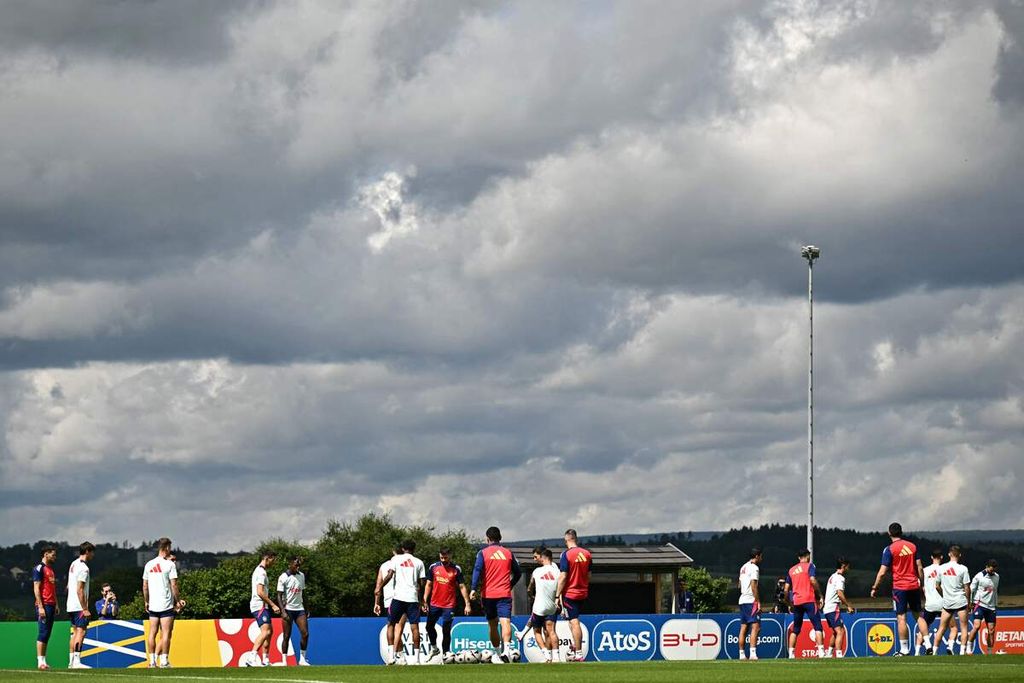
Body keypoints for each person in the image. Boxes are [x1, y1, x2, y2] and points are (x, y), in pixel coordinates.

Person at [870, 522, 927, 656]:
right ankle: (929, 644)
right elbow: (919, 567)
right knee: (918, 615)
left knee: (901, 617)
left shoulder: (889, 549)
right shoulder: (912, 546)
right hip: (914, 585)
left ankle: (904, 649)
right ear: (901, 532)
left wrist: (875, 587)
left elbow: (882, 572)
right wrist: (922, 584)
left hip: (900, 587)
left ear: (889, 533)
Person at [470, 526, 522, 664]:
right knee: (506, 622)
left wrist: (473, 588)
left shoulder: (483, 553)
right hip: (504, 593)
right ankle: (506, 651)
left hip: (488, 595)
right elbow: (518, 573)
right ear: (500, 538)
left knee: (492, 625)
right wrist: (510, 585)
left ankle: (499, 654)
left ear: (487, 538)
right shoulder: (508, 553)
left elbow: (477, 569)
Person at [380, 539, 426, 665]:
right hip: (412, 598)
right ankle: (416, 660)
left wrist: (380, 587)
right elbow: (422, 582)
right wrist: (422, 599)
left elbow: (389, 575)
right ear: (414, 549)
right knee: (415, 627)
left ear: (402, 549)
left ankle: (391, 656)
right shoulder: (419, 562)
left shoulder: (396, 560)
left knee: (391, 624)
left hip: (398, 597)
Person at [423, 547, 471, 660]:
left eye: (445, 557)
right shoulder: (433, 567)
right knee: (429, 627)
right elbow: (428, 584)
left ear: (450, 556)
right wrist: (424, 600)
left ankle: (446, 654)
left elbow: (462, 586)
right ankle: (434, 648)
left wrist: (467, 604)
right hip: (434, 603)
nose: (443, 559)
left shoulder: (456, 569)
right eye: (441, 557)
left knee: (446, 629)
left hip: (449, 605)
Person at [143, 537, 184, 668]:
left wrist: (146, 601)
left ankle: (152, 661)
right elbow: (174, 585)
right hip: (166, 604)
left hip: (153, 604)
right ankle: (164, 661)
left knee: (152, 633)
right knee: (166, 633)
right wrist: (178, 601)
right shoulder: (170, 565)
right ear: (166, 547)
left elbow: (144, 586)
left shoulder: (149, 564)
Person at [557, 528, 592, 662]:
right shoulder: (587, 554)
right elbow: (589, 575)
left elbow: (563, 577)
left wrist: (557, 595)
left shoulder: (566, 555)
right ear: (576, 538)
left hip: (570, 594)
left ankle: (578, 652)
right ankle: (574, 645)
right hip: (583, 592)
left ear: (566, 539)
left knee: (574, 621)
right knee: (571, 621)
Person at [785, 548, 825, 659]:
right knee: (817, 626)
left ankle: (791, 654)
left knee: (796, 629)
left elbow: (786, 589)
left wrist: (789, 603)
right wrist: (820, 595)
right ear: (808, 556)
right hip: (809, 600)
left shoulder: (791, 570)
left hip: (797, 602)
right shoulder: (810, 566)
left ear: (798, 557)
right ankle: (821, 652)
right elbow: (812, 580)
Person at [933, 545, 971, 656]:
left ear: (949, 554)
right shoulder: (963, 569)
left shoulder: (941, 568)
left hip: (947, 602)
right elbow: (967, 587)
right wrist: (968, 602)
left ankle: (934, 652)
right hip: (960, 601)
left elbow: (937, 586)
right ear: (960, 555)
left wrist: (944, 595)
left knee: (942, 628)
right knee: (964, 627)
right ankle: (962, 651)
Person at [247, 550, 280, 666]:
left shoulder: (260, 571)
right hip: (259, 605)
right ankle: (251, 657)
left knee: (270, 632)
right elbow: (260, 592)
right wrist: (273, 604)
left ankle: (265, 660)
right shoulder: (261, 573)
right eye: (273, 560)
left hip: (261, 605)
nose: (273, 563)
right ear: (268, 558)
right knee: (265, 632)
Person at [527, 547, 561, 663]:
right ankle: (555, 657)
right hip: (552, 605)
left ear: (542, 557)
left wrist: (531, 595)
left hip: (540, 606)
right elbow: (560, 586)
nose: (535, 559)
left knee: (537, 630)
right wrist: (558, 600)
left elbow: (529, 588)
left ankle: (547, 654)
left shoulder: (537, 571)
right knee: (550, 631)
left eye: (536, 557)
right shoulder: (557, 570)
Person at [66, 542, 95, 669]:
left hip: (70, 604)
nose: (93, 555)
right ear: (87, 551)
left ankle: (71, 661)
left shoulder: (73, 564)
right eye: (92, 552)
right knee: (81, 632)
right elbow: (80, 589)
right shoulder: (84, 568)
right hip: (79, 606)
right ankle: (77, 662)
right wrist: (85, 608)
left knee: (74, 632)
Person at [277, 556, 311, 666]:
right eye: (296, 565)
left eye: (299, 565)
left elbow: (303, 593)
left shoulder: (301, 576)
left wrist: (307, 608)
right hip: (288, 609)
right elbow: (279, 595)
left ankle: (302, 659)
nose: (298, 567)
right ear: (290, 564)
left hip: (299, 609)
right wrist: (283, 611)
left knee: (305, 634)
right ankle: (284, 661)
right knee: (286, 636)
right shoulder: (283, 577)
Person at [373, 545, 402, 664]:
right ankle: (393, 655)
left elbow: (378, 585)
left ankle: (400, 655)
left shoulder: (384, 565)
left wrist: (376, 603)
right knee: (398, 627)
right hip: (401, 598)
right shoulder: (406, 564)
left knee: (392, 625)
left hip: (388, 600)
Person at [32, 546, 59, 670]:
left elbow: (52, 589)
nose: (55, 557)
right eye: (53, 555)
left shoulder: (51, 570)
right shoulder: (39, 568)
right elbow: (36, 587)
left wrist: (57, 604)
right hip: (44, 604)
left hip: (51, 604)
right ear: (46, 554)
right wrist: (40, 606)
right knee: (43, 632)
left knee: (47, 633)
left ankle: (43, 660)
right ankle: (40, 661)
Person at [822, 558, 855, 658]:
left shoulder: (833, 576)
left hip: (827, 608)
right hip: (833, 608)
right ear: (843, 566)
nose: (849, 568)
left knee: (836, 631)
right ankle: (839, 655)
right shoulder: (840, 578)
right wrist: (848, 605)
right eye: (848, 566)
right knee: (841, 631)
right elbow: (840, 593)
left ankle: (829, 653)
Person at [966, 559, 999, 655]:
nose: (992, 572)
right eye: (991, 570)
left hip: (991, 607)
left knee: (991, 630)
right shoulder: (979, 576)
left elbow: (994, 591)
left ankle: (989, 651)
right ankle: (968, 647)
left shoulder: (997, 577)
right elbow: (971, 590)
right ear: (987, 567)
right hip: (979, 604)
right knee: (977, 626)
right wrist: (970, 603)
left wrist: (995, 604)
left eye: (994, 570)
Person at [737, 547, 762, 661]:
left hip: (742, 599)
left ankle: (742, 654)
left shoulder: (743, 567)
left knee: (744, 627)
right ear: (757, 556)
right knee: (755, 627)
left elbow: (739, 584)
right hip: (750, 600)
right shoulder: (754, 568)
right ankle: (752, 653)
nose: (762, 558)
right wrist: (757, 601)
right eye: (761, 556)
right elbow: (753, 585)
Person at [918, 549, 944, 655]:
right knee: (950, 627)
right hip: (943, 604)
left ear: (931, 557)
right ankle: (937, 650)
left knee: (924, 628)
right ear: (942, 557)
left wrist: (924, 593)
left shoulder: (925, 570)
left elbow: (920, 586)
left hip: (929, 604)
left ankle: (916, 651)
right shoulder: (944, 569)